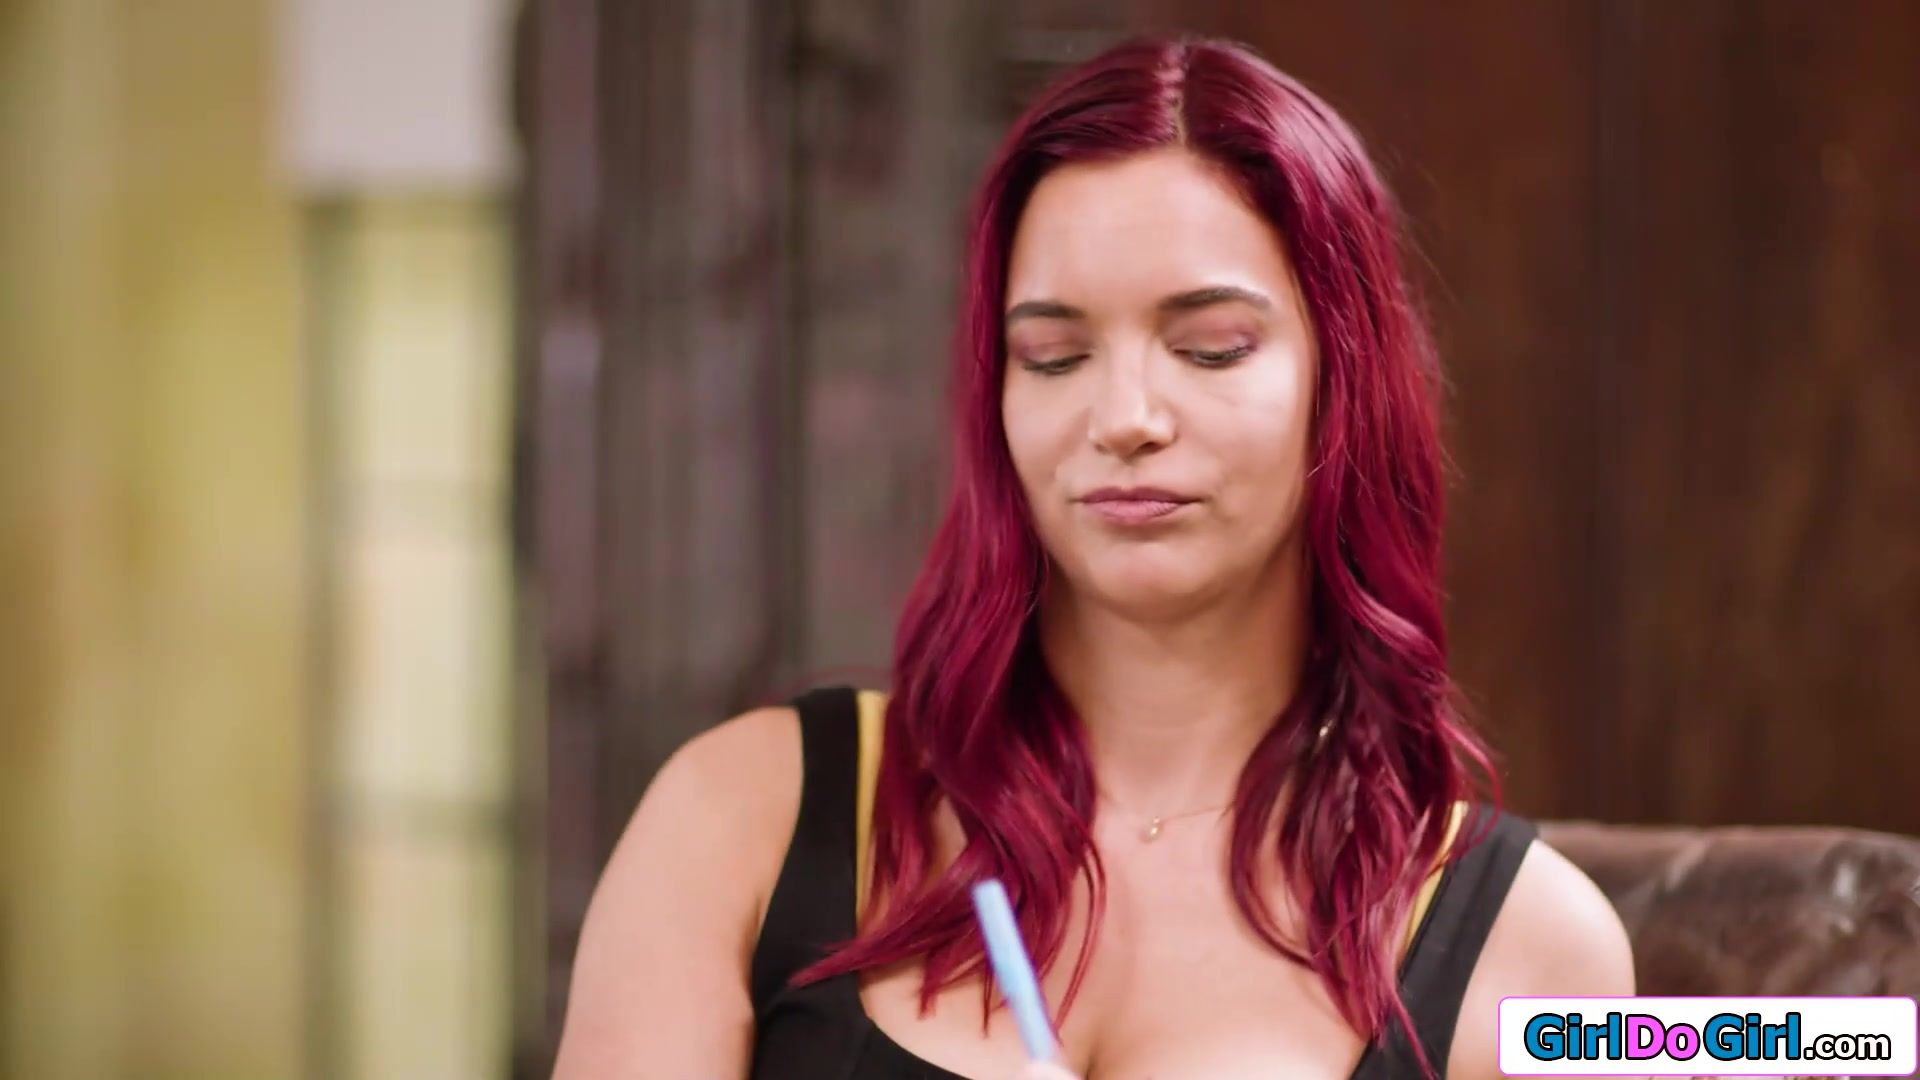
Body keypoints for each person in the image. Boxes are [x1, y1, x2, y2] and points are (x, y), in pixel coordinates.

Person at [550, 34, 1636, 1080]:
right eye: (1054, 357)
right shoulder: (740, 813)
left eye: (1210, 348)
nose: (1124, 418)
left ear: (1345, 384)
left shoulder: (1547, 954)